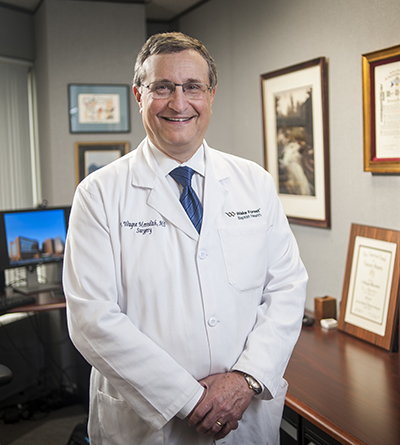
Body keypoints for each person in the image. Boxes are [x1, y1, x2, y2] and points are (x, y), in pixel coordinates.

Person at [63, 32, 308, 445]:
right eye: (163, 87)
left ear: (211, 95)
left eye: (192, 87)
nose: (179, 103)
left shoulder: (254, 183)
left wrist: (246, 380)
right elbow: (92, 320)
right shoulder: (99, 193)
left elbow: (285, 287)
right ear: (139, 95)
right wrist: (188, 398)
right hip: (147, 424)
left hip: (244, 417)